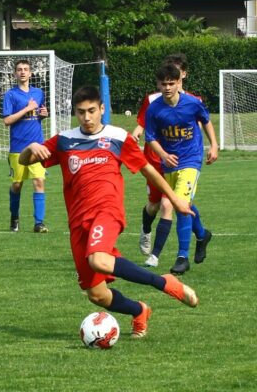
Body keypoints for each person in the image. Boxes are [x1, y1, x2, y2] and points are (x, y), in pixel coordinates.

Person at [19, 86, 198, 339]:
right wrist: (32, 148)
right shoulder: (65, 140)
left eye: (92, 111)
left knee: (99, 259)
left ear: (102, 109)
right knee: (97, 295)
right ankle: (139, 310)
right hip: (78, 223)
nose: (87, 117)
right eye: (81, 112)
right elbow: (24, 161)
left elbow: (148, 170)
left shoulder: (118, 137)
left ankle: (165, 282)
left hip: (107, 211)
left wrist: (176, 199)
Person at [145, 64, 218, 275]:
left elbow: (206, 121)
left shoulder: (193, 103)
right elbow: (150, 138)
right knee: (181, 203)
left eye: (171, 83)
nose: (167, 88)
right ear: (158, 84)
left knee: (180, 204)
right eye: (163, 84)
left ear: (179, 83)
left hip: (191, 160)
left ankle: (182, 257)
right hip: (170, 163)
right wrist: (164, 155)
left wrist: (213, 145)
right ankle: (202, 234)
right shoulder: (154, 108)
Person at [132, 53, 201, 268]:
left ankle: (162, 256)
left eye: (177, 74)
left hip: (183, 160)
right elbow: (144, 123)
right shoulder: (153, 100)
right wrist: (135, 133)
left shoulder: (192, 101)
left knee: (170, 204)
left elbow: (197, 125)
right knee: (154, 205)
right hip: (154, 160)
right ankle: (146, 229)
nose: (170, 82)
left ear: (182, 76)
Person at [2, 59, 49, 233]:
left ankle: (39, 223)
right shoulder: (11, 95)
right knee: (17, 185)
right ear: (15, 74)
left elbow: (39, 114)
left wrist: (44, 114)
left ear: (30, 73)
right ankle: (14, 217)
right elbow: (7, 121)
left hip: (37, 145)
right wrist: (26, 109)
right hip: (18, 148)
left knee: (39, 182)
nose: (22, 72)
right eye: (19, 70)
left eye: (26, 69)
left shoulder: (38, 93)